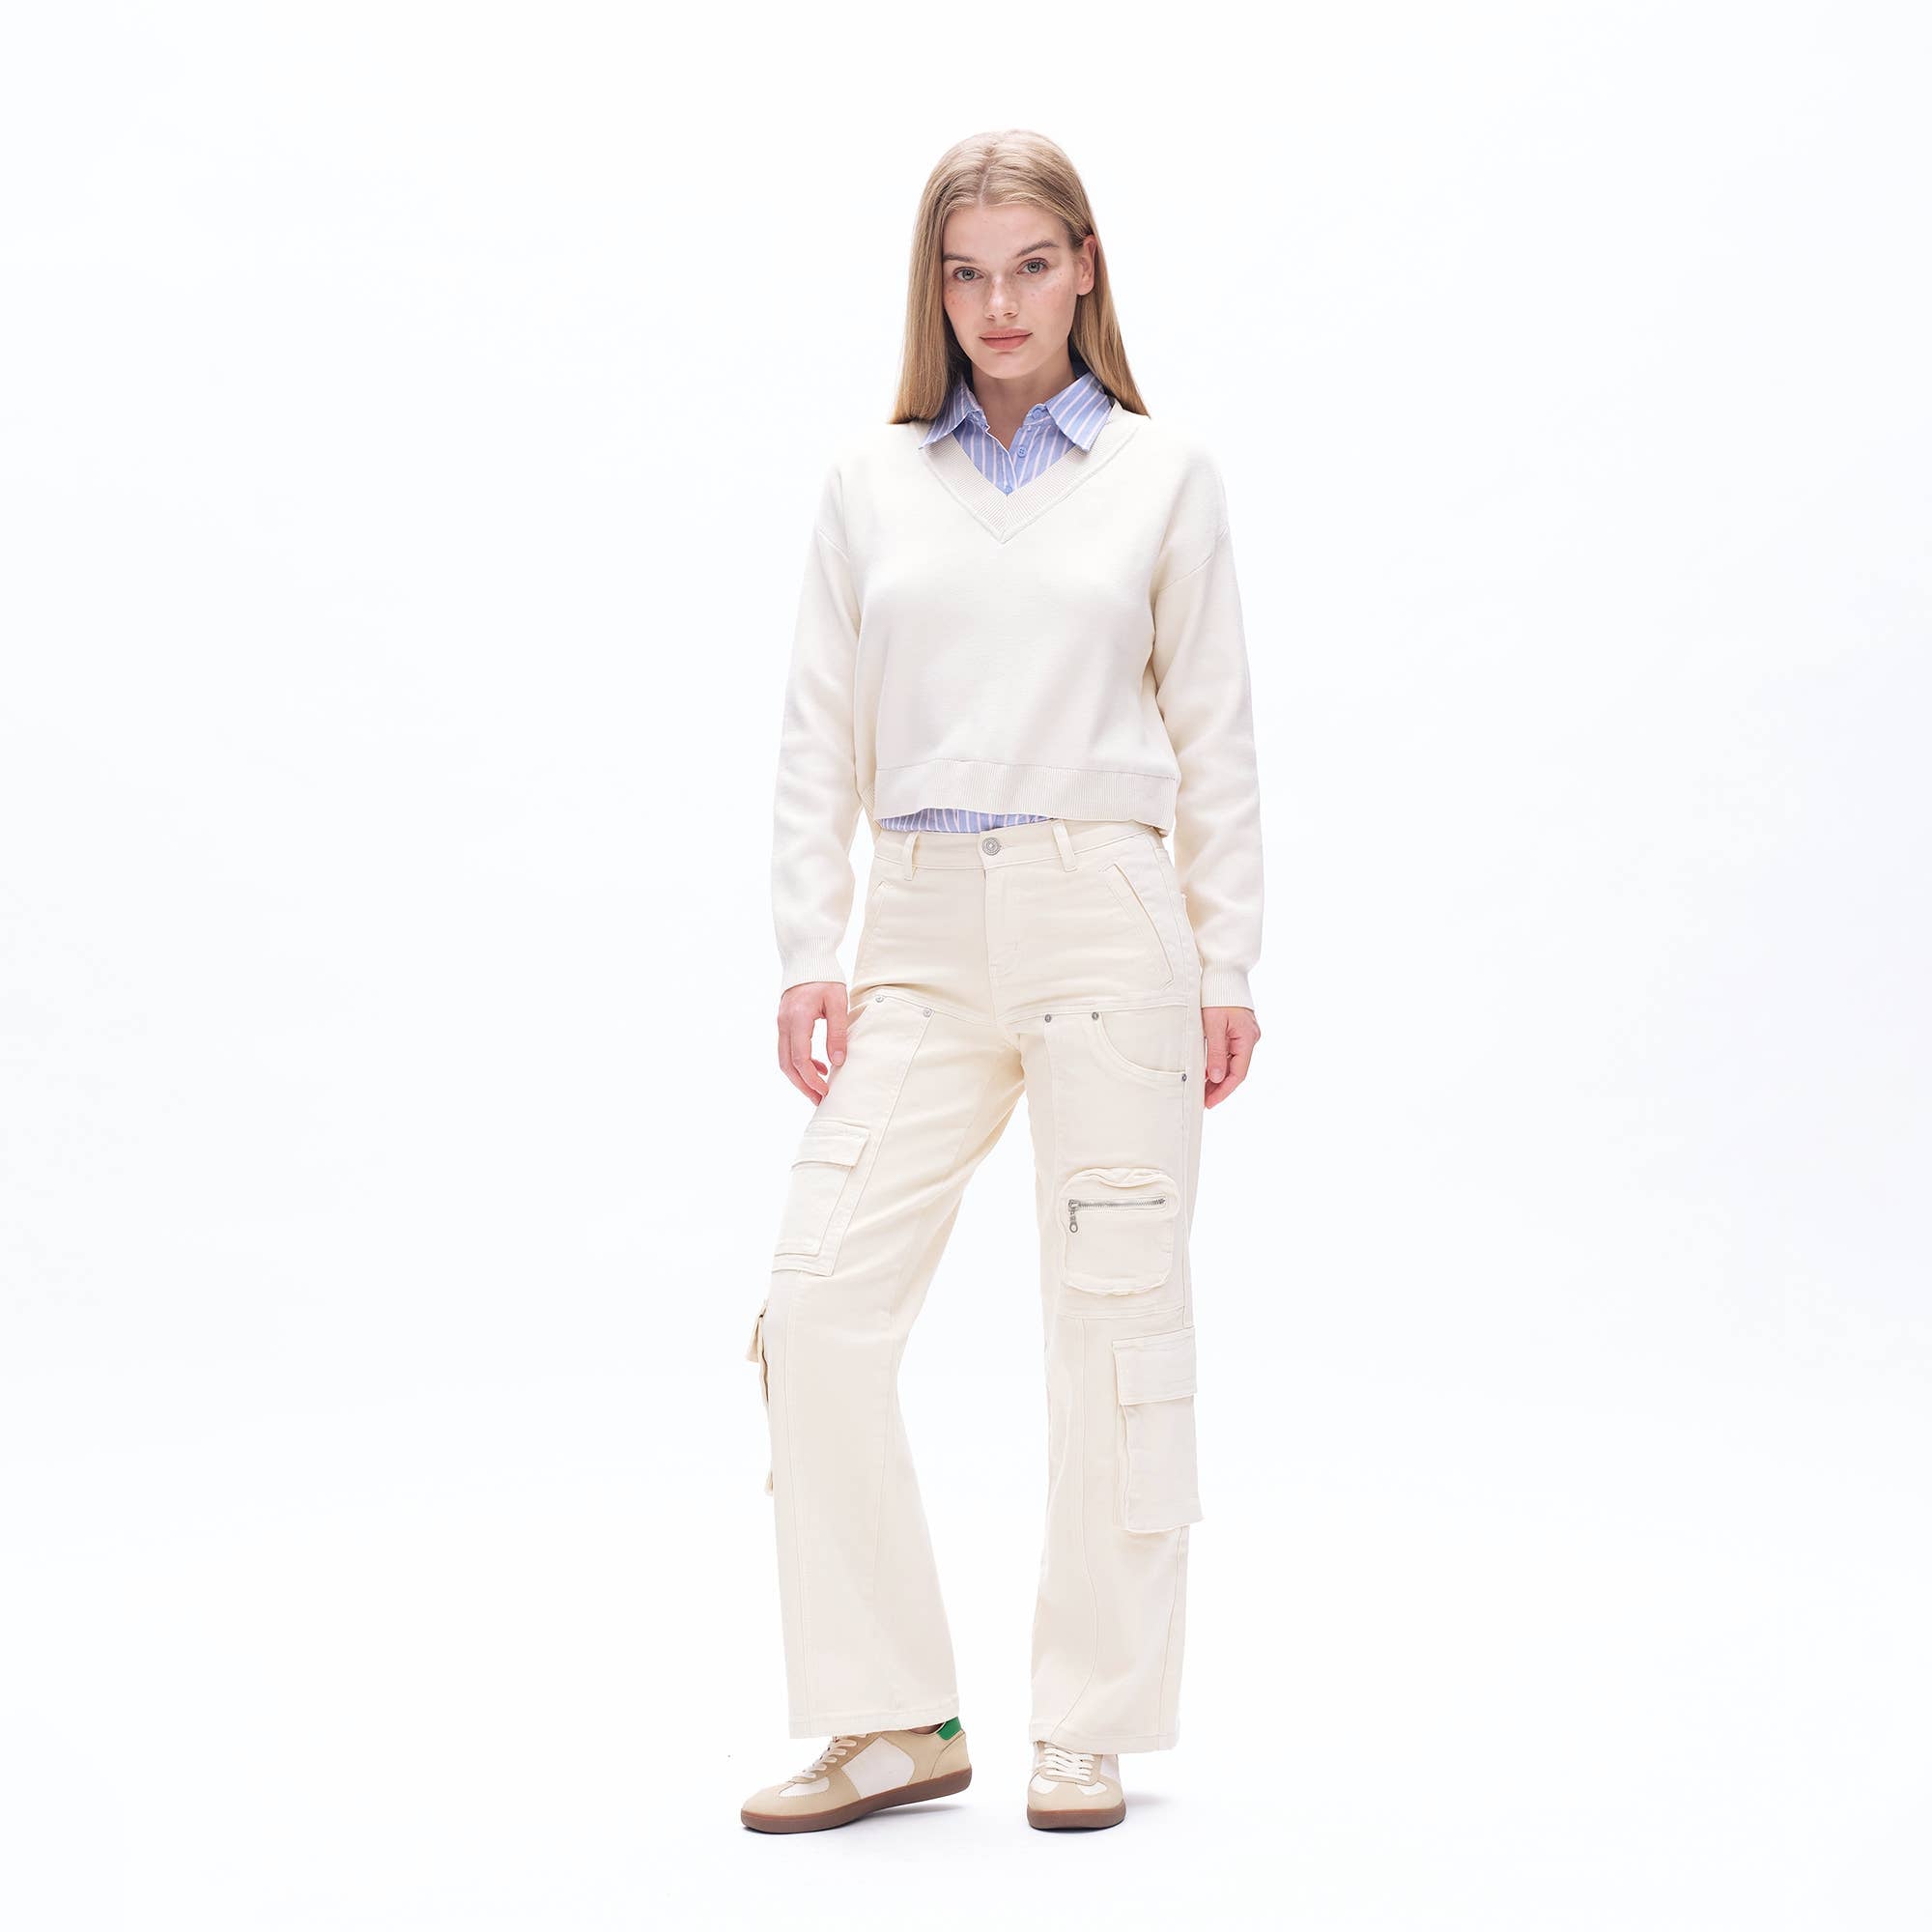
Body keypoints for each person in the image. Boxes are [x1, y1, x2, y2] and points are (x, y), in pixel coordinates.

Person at [741, 128, 1264, 1835]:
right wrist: (808, 949)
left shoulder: (1164, 477)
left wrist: (1226, 962)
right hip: (917, 933)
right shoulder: (872, 482)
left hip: (1107, 917)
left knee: (1115, 1326)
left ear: (1084, 267)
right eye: (967, 274)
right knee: (816, 1307)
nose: (1000, 305)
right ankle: (895, 1718)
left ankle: (1090, 1722)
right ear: (936, 288)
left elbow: (1215, 733)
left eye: (1031, 266)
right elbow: (817, 728)